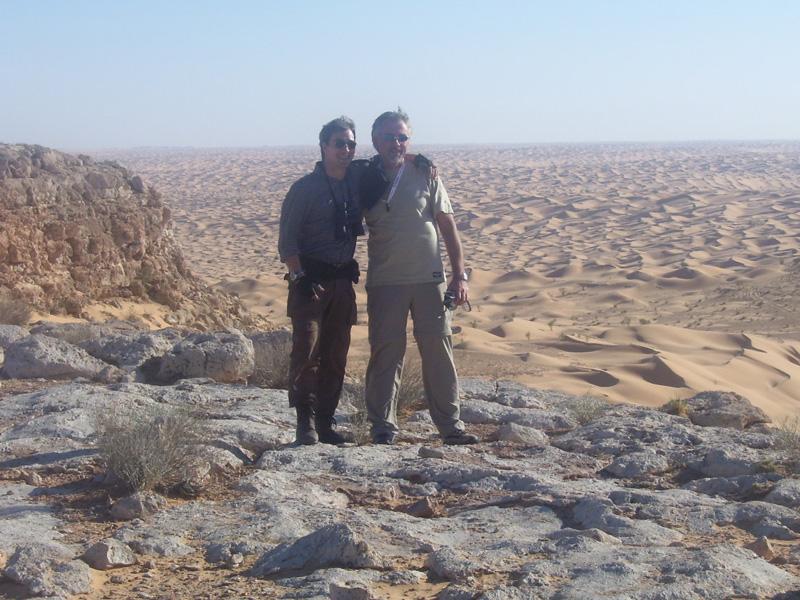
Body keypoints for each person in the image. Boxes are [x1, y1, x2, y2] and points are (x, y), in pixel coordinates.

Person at [360, 109, 478, 446]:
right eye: (389, 137)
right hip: (385, 282)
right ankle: (383, 428)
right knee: (386, 353)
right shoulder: (362, 176)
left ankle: (451, 427)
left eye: (403, 138)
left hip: (430, 280)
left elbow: (448, 226)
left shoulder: (425, 173)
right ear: (375, 140)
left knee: (439, 351)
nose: (396, 143)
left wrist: (459, 276)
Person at [278, 116, 363, 445]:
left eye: (351, 144)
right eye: (339, 143)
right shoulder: (304, 189)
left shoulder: (355, 183)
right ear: (323, 146)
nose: (346, 150)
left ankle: (326, 422)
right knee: (307, 351)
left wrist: (417, 159)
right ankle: (306, 422)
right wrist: (299, 277)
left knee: (336, 354)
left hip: (342, 283)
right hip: (311, 283)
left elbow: (389, 159)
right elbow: (287, 242)